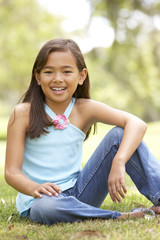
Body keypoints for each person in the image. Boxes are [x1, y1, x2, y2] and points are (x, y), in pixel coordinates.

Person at [5, 38, 160, 225]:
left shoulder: (84, 108)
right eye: (48, 72)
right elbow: (11, 172)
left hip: (82, 191)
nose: (57, 78)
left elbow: (137, 123)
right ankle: (120, 217)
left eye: (67, 71)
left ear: (81, 76)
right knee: (46, 208)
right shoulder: (22, 113)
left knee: (119, 135)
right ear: (37, 77)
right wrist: (35, 188)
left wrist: (119, 161)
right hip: (42, 200)